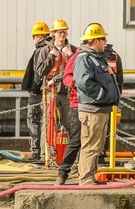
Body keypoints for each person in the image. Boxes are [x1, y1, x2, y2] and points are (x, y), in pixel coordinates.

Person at [72, 23, 121, 185]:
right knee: (91, 145)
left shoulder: (96, 58)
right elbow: (83, 83)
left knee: (96, 145)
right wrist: (103, 95)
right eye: (103, 39)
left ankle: (90, 176)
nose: (105, 42)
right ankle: (86, 178)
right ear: (95, 41)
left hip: (100, 109)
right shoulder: (84, 59)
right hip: (92, 110)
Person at [36, 19, 81, 184]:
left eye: (64, 32)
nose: (62, 34)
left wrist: (69, 57)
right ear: (53, 33)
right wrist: (51, 57)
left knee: (71, 125)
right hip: (50, 92)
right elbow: (39, 71)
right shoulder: (45, 50)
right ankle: (46, 155)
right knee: (49, 125)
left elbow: (76, 69)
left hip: (67, 92)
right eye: (59, 32)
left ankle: (72, 158)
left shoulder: (73, 50)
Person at [20, 21, 50, 162]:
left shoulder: (41, 50)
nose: (33, 39)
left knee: (34, 120)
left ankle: (36, 152)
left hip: (38, 92)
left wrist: (35, 89)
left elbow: (38, 73)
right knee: (48, 122)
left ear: (39, 36)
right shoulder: (52, 48)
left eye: (34, 36)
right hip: (49, 90)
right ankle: (47, 152)